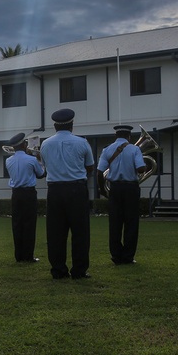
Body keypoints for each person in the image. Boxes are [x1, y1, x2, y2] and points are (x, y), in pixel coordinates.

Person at [40, 109, 95, 280]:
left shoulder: (45, 144)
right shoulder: (82, 142)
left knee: (55, 232)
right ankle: (79, 270)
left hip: (55, 190)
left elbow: (46, 166)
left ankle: (58, 270)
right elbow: (90, 167)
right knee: (80, 232)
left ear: (54, 126)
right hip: (76, 188)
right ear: (72, 124)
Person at [97, 125, 147, 265]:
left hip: (115, 189)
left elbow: (100, 173)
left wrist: (101, 189)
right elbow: (141, 168)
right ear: (129, 136)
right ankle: (128, 257)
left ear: (115, 136)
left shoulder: (107, 149)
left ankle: (116, 256)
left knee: (115, 223)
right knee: (131, 223)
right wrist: (145, 166)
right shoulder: (135, 149)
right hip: (131, 188)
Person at [5, 132, 44, 263]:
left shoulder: (8, 160)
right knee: (29, 224)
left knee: (17, 224)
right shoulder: (31, 160)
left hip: (15, 194)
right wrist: (38, 158)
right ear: (24, 144)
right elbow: (40, 174)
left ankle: (19, 256)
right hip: (29, 193)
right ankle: (28, 256)